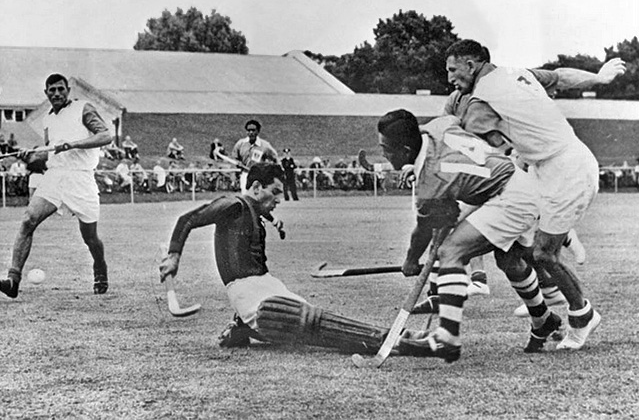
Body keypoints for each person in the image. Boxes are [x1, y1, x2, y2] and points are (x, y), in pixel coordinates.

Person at [442, 40, 625, 349]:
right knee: (508, 252)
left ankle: (582, 315)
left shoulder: (481, 101)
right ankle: (543, 318)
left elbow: (465, 140)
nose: (450, 78)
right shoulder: (517, 74)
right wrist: (598, 77)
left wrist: (425, 151)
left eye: (452, 69)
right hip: (541, 170)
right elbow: (560, 76)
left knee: (543, 252)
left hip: (568, 171)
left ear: (471, 65)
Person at [158, 163, 426, 356]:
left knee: (316, 321)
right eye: (275, 192)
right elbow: (189, 219)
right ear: (255, 187)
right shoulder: (233, 204)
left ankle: (242, 328)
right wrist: (173, 257)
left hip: (267, 285)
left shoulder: (251, 209)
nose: (279, 199)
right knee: (306, 321)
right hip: (249, 293)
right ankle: (395, 339)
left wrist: (275, 220)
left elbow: (260, 215)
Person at [378, 110, 560, 362]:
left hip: (510, 197)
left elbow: (423, 232)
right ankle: (543, 320)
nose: (383, 154)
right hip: (516, 183)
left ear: (406, 150)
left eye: (386, 149)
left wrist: (410, 261)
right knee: (509, 261)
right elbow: (452, 127)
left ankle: (447, 339)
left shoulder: (430, 186)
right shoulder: (438, 126)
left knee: (451, 252)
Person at [0, 73, 112, 298]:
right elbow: (48, 154)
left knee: (90, 237)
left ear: (68, 90)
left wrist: (72, 145)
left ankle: (100, 267)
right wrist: (28, 156)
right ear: (46, 93)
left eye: (61, 89)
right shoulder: (48, 119)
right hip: (55, 177)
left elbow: (105, 135)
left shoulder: (83, 109)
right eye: (52, 90)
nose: (57, 93)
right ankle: (13, 280)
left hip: (81, 179)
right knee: (28, 220)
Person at [231, 119, 278, 191]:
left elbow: (275, 158)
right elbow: (234, 159)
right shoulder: (240, 144)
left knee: (259, 198)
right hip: (245, 174)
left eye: (253, 130)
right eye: (248, 130)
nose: (251, 132)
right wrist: (234, 178)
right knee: (246, 196)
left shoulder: (265, 145)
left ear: (258, 131)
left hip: (260, 176)